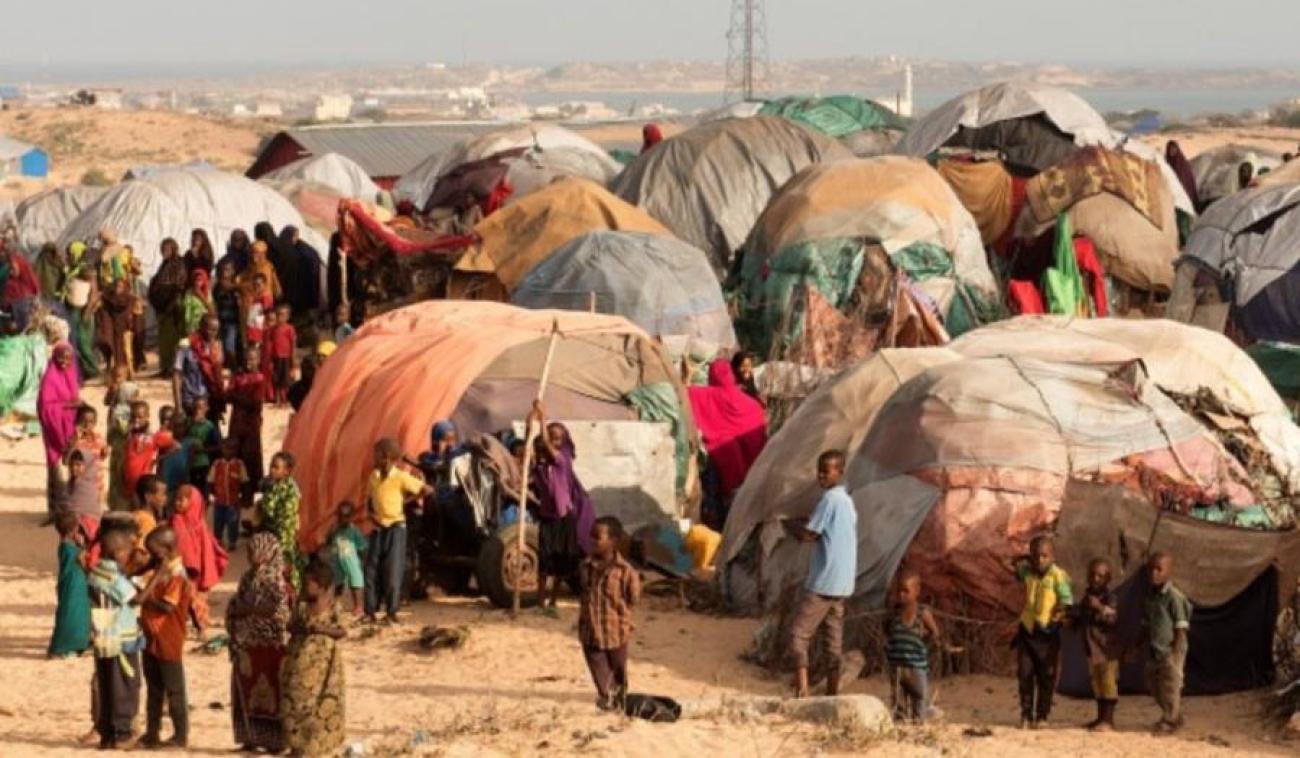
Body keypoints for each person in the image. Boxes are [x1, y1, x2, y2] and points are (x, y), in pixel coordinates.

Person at [783, 450, 857, 698]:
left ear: (840, 471)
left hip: (824, 582)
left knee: (798, 635)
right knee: (832, 642)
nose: (822, 476)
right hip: (843, 584)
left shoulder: (830, 500)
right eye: (820, 471)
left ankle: (802, 690)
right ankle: (832, 693)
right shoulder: (847, 502)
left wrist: (788, 526)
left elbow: (809, 535)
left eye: (827, 471)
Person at [226, 532, 292, 754]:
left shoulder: (277, 579)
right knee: (245, 688)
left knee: (272, 691)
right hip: (248, 642)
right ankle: (250, 737)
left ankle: (275, 741)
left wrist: (248, 609)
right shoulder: (247, 577)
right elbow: (238, 604)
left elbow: (276, 612)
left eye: (252, 551)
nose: (248, 556)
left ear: (265, 553)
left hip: (272, 644)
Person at [528, 404, 596, 609]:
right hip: (548, 517)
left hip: (564, 516)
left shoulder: (562, 461)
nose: (555, 442)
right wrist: (531, 416)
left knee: (562, 561)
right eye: (552, 437)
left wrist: (543, 419)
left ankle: (553, 601)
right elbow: (529, 438)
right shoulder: (538, 466)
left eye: (558, 439)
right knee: (544, 560)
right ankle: (541, 602)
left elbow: (548, 446)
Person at [688, 358, 768, 527]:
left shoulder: (702, 396)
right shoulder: (752, 405)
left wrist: (687, 374)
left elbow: (681, 393)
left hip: (715, 465)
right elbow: (758, 440)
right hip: (748, 475)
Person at [282, 560, 347, 757]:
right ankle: (297, 746)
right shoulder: (301, 607)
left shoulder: (334, 607)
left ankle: (314, 748)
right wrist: (301, 628)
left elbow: (342, 631)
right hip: (298, 664)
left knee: (320, 706)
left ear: (321, 586)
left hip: (325, 669)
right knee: (294, 704)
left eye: (308, 583)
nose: (304, 586)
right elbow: (289, 626)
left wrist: (321, 629)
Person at [137, 525, 193, 749]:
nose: (152, 556)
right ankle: (152, 732)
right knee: (153, 686)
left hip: (168, 636)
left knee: (174, 689)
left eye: (155, 552)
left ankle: (180, 735)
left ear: (168, 549)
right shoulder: (161, 570)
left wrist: (145, 597)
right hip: (152, 635)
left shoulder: (176, 575)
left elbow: (168, 608)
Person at [87, 528, 144, 749]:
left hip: (103, 637)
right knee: (125, 685)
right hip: (121, 638)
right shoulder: (112, 577)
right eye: (127, 551)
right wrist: (157, 576)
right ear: (118, 552)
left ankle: (108, 734)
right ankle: (122, 734)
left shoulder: (96, 572)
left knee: (107, 684)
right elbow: (135, 599)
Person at [364, 438, 431, 625]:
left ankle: (391, 612)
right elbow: (369, 500)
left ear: (385, 457)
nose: (373, 457)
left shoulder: (400, 476)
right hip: (378, 528)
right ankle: (370, 611)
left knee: (392, 570)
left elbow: (426, 489)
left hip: (395, 528)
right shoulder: (374, 476)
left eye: (376, 454)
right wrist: (370, 514)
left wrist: (405, 501)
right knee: (371, 570)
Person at [578, 516, 641, 711]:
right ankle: (606, 697)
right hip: (591, 629)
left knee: (618, 668)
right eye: (591, 537)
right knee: (598, 667)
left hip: (616, 630)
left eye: (598, 538)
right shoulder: (585, 567)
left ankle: (620, 698)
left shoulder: (626, 571)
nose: (593, 542)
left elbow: (633, 597)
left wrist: (620, 614)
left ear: (613, 541)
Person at [1010, 535, 1072, 729]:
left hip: (1047, 634)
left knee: (1046, 676)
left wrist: (1057, 618)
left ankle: (1042, 715)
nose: (1040, 560)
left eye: (1044, 556)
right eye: (1035, 556)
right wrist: (1023, 557)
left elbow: (1066, 602)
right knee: (1025, 674)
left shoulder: (1058, 576)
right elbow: (1013, 565)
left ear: (1052, 556)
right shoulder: (1028, 572)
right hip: (1028, 631)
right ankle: (1026, 714)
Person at [884, 570, 953, 722]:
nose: (902, 595)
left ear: (917, 591)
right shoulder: (894, 614)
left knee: (919, 699)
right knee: (898, 703)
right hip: (897, 668)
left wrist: (943, 645)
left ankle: (918, 726)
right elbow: (888, 633)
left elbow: (935, 634)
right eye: (899, 591)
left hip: (916, 667)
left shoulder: (923, 613)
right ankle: (901, 728)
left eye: (906, 591)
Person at [1142, 551, 1192, 734]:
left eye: (1159, 569)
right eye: (1151, 569)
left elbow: (1181, 628)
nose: (1154, 573)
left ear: (1169, 572)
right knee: (1153, 684)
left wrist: (1174, 655)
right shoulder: (1150, 597)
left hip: (1171, 650)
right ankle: (1174, 715)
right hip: (1155, 649)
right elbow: (1147, 625)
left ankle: (1170, 721)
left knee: (1170, 685)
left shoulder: (1174, 597)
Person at [170, 484, 228, 639]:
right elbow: (181, 545)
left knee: (197, 603)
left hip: (197, 572)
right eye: (176, 499)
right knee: (180, 600)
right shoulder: (176, 520)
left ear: (193, 502)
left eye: (182, 500)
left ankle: (201, 628)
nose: (177, 503)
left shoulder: (199, 524)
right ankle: (183, 628)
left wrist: (203, 566)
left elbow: (208, 546)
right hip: (182, 569)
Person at [1075, 557, 1120, 732]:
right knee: (1098, 684)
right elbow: (1082, 618)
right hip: (1092, 649)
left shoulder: (1111, 598)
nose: (1096, 579)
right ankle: (1100, 718)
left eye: (1101, 576)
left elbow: (1112, 619)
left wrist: (1099, 607)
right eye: (1093, 575)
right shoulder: (1087, 598)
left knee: (1108, 684)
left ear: (1107, 579)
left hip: (1106, 649)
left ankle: (1108, 720)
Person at [38, 343, 81, 518]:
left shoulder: (71, 374)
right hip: (54, 432)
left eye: (68, 358)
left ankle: (63, 510)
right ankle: (58, 512)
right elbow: (45, 409)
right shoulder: (50, 379)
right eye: (61, 358)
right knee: (57, 470)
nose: (64, 362)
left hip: (70, 430)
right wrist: (70, 405)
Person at [48, 510, 92, 658]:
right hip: (76, 585)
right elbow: (83, 560)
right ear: (74, 528)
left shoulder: (64, 545)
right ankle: (68, 646)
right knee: (75, 613)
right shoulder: (73, 549)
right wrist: (85, 546)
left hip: (68, 584)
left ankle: (67, 645)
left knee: (68, 612)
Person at [261, 451, 304, 590]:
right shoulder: (274, 485)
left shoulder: (291, 490)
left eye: (276, 467)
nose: (271, 470)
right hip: (273, 532)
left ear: (286, 471)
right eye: (271, 466)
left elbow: (285, 517)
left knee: (286, 566)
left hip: (285, 535)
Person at [148, 238, 189, 378]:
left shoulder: (178, 264)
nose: (165, 251)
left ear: (174, 249)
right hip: (162, 307)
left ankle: (173, 369)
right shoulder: (164, 264)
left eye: (168, 249)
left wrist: (169, 304)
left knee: (172, 340)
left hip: (172, 308)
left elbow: (178, 286)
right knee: (164, 340)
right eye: (163, 248)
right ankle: (165, 368)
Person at [227, 348, 267, 486]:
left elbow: (255, 404)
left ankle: (252, 487)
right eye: (247, 358)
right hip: (237, 421)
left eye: (252, 359)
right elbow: (228, 395)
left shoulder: (259, 378)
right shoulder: (238, 376)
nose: (248, 362)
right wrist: (240, 398)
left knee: (250, 455)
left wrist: (237, 397)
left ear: (258, 361)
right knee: (235, 452)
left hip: (251, 424)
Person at [104, 363, 140, 509]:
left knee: (123, 472)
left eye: (120, 377)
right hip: (116, 442)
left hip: (124, 443)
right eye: (115, 377)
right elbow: (106, 402)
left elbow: (127, 427)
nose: (117, 380)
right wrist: (112, 391)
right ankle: (116, 503)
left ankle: (123, 504)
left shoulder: (128, 398)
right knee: (116, 472)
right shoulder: (116, 397)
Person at [326, 501, 366, 619]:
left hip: (351, 561)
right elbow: (328, 542)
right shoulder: (335, 529)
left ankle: (358, 606)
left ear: (351, 517)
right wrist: (331, 533)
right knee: (338, 583)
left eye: (346, 517)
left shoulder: (354, 530)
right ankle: (336, 605)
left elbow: (362, 546)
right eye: (340, 517)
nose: (343, 520)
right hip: (337, 561)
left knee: (356, 582)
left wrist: (363, 559)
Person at [210, 438, 249, 551]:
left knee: (233, 523)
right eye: (226, 448)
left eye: (232, 449)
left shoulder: (239, 465)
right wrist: (212, 495)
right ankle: (217, 541)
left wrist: (245, 497)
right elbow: (210, 481)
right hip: (219, 501)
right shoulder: (217, 464)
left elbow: (245, 482)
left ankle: (232, 542)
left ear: (236, 450)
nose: (229, 451)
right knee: (218, 522)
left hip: (233, 501)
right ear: (222, 449)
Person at [95, 277, 136, 378]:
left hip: (124, 329)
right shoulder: (108, 298)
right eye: (117, 286)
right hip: (112, 327)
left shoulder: (130, 299)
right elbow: (103, 314)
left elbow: (134, 316)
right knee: (105, 341)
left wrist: (130, 325)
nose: (118, 289)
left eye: (121, 287)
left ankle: (125, 373)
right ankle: (111, 369)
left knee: (124, 350)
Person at [63, 448, 103, 541]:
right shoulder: (72, 482)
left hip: (86, 530)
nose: (74, 468)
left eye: (78, 465)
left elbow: (77, 509)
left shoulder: (87, 486)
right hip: (72, 527)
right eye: (71, 465)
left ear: (88, 466)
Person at [0, 238, 40, 331]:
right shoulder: (9, 282)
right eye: (10, 268)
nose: (10, 271)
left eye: (12, 268)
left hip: (24, 328)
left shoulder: (29, 283)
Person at [123, 401, 159, 504]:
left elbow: (174, 446)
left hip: (143, 483)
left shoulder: (152, 436)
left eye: (140, 417)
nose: (136, 420)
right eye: (133, 417)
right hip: (129, 483)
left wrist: (157, 460)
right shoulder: (129, 435)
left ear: (147, 416)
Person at [185, 395, 220, 497]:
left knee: (202, 492)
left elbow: (217, 446)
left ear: (206, 409)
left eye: (200, 408)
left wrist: (203, 449)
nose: (197, 411)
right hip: (188, 464)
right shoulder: (188, 423)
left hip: (202, 464)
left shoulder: (209, 426)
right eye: (195, 408)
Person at [131, 476, 167, 574]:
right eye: (162, 494)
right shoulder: (147, 521)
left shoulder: (136, 514)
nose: (165, 498)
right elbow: (139, 556)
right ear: (148, 497)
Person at [213, 261, 243, 365]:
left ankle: (233, 367)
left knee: (229, 346)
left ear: (233, 271)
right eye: (223, 270)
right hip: (220, 320)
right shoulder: (218, 286)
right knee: (222, 346)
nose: (225, 272)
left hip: (232, 321)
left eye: (228, 270)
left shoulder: (236, 286)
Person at [268, 304, 297, 406]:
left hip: (285, 357)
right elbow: (270, 344)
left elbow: (293, 344)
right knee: (276, 379)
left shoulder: (290, 329)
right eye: (278, 315)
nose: (280, 317)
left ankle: (285, 400)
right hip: (276, 357)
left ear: (288, 317)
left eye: (283, 315)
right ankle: (277, 400)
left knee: (285, 380)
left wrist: (293, 361)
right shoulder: (273, 329)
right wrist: (270, 359)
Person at [1164, 140, 1200, 211]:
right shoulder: (1166, 163)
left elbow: (1189, 182)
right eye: (1170, 149)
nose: (1172, 151)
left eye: (1174, 149)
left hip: (1184, 196)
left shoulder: (1183, 164)